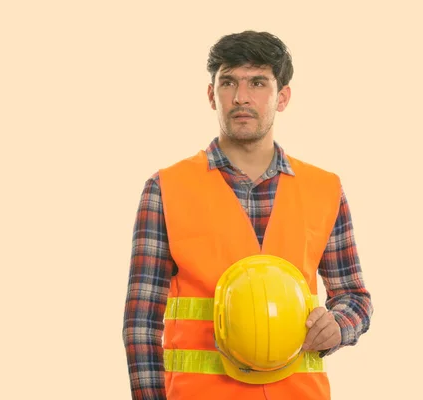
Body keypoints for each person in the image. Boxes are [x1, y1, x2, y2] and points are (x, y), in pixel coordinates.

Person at [122, 30, 373, 400]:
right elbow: (141, 324)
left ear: (282, 97)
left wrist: (339, 324)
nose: (241, 97)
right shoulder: (165, 189)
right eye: (228, 83)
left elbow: (355, 297)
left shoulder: (325, 188)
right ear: (211, 95)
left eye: (257, 82)